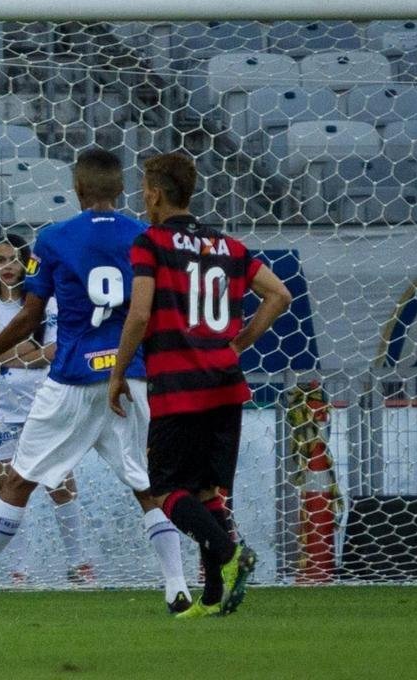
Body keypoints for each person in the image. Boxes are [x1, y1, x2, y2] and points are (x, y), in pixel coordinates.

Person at [0, 148, 191, 614]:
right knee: (149, 486)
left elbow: (30, 316)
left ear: (77, 190)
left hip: (71, 377)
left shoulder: (52, 239)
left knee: (19, 481)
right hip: (129, 377)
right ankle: (177, 587)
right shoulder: (146, 237)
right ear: (122, 189)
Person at [108, 152, 291, 618]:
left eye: (144, 189)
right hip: (225, 386)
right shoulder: (229, 247)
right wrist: (239, 343)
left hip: (178, 384)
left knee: (166, 491)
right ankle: (211, 599)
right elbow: (279, 295)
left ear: (154, 192)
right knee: (207, 492)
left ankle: (230, 554)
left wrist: (117, 373)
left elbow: (141, 313)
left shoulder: (150, 243)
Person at [0, 235, 92, 584]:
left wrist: (9, 354)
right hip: (0, 407)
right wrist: (24, 353)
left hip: (44, 403)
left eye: (14, 259)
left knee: (60, 483)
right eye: (0, 260)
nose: (7, 267)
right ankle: (17, 570)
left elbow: (56, 350)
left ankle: (79, 563)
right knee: (6, 488)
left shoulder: (45, 304)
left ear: (27, 264)